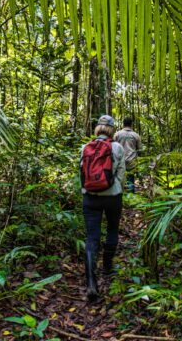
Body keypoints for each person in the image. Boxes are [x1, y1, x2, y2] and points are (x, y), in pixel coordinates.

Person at [80, 115, 125, 301]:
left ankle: (91, 282)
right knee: (112, 229)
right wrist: (116, 187)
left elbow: (81, 172)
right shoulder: (117, 147)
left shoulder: (84, 148)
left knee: (92, 237)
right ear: (112, 130)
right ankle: (107, 268)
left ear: (97, 129)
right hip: (113, 196)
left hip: (90, 197)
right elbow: (121, 173)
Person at [114, 117, 141, 193]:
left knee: (119, 178)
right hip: (131, 160)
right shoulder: (136, 135)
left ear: (123, 124)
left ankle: (119, 195)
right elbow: (139, 148)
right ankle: (131, 198)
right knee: (130, 179)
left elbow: (113, 146)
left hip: (119, 160)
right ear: (131, 124)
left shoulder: (117, 134)